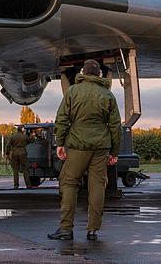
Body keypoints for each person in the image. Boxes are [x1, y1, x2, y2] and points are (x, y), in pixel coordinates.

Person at [47, 59, 121, 242]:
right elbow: (115, 126)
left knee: (69, 183)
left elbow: (62, 119)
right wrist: (115, 152)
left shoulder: (72, 92)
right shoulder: (107, 95)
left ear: (82, 72)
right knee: (97, 185)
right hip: (101, 147)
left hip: (78, 145)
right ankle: (93, 229)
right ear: (100, 75)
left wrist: (61, 143)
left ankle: (66, 228)